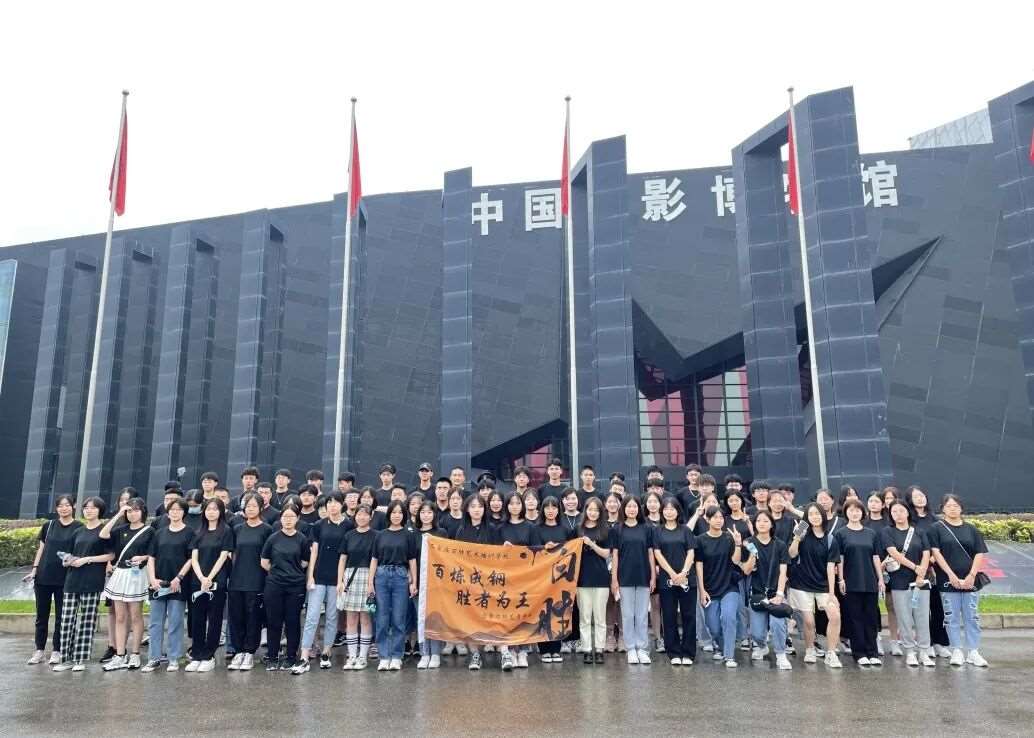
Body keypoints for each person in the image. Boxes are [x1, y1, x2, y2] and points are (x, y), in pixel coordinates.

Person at [49, 497, 113, 672]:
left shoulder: (104, 531)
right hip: (72, 580)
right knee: (66, 621)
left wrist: (87, 559)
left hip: (92, 581)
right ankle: (66, 658)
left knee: (87, 621)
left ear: (100, 510)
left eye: (93, 508)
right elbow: (69, 553)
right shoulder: (78, 531)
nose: (88, 511)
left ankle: (80, 659)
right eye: (86, 508)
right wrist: (68, 560)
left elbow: (111, 555)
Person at [928, 494, 989, 668]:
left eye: (956, 505)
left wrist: (971, 575)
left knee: (972, 616)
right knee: (951, 616)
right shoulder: (936, 529)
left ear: (961, 508)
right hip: (947, 580)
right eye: (948, 506)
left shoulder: (971, 529)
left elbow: (979, 553)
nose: (952, 509)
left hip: (970, 581)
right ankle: (956, 650)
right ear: (943, 509)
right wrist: (950, 574)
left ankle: (973, 651)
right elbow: (936, 553)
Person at [25, 494, 82, 666]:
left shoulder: (79, 527)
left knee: (61, 617)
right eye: (60, 505)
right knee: (41, 616)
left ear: (73, 506)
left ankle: (57, 650)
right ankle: (39, 650)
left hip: (65, 578)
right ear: (56, 508)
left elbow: (80, 551)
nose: (64, 508)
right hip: (43, 577)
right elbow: (41, 549)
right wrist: (34, 570)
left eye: (67, 505)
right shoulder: (48, 525)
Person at [297, 490, 351, 672]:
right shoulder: (319, 525)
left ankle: (327, 651)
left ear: (342, 505)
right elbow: (314, 552)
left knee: (332, 616)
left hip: (337, 578)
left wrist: (342, 580)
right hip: (318, 576)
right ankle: (304, 655)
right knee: (312, 616)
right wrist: (310, 575)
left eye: (336, 502)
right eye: (329, 503)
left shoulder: (348, 525)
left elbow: (346, 554)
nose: (332, 506)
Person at [99, 498, 153, 670]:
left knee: (136, 615)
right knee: (120, 616)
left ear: (143, 512)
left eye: (136, 510)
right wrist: (118, 514)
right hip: (120, 574)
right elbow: (103, 534)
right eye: (129, 511)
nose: (132, 514)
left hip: (136, 575)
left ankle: (135, 654)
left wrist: (143, 557)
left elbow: (153, 554)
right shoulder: (120, 530)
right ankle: (120, 654)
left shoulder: (149, 531)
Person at [142, 497, 194, 673]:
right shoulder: (159, 533)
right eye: (172, 509)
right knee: (155, 623)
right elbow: (151, 557)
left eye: (179, 509)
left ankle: (174, 658)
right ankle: (154, 658)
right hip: (158, 583)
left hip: (177, 584)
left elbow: (191, 559)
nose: (175, 512)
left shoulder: (189, 533)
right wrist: (152, 579)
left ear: (184, 512)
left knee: (175, 622)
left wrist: (179, 577)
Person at [787, 503, 843, 668]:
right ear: (806, 517)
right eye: (811, 514)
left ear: (823, 516)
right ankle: (810, 649)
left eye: (817, 513)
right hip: (801, 584)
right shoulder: (802, 533)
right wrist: (797, 537)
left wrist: (832, 593)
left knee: (835, 615)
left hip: (823, 585)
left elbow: (830, 567)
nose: (814, 517)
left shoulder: (830, 539)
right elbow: (791, 554)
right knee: (809, 621)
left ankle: (831, 653)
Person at [881, 500, 934, 667]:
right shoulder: (887, 532)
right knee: (904, 617)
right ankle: (910, 651)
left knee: (922, 616)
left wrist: (921, 572)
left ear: (908, 512)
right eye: (894, 512)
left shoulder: (919, 531)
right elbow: (893, 553)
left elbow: (926, 552)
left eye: (901, 511)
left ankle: (924, 651)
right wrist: (915, 567)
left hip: (920, 580)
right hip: (899, 580)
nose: (898, 514)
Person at [451, 495, 500, 670]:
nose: (476, 510)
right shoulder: (461, 530)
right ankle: (475, 654)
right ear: (467, 509)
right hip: (469, 582)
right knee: (470, 619)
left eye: (480, 506)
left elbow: (499, 555)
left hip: (489, 582)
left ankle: (503, 651)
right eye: (472, 506)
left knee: (493, 618)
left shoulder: (492, 529)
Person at [368, 501, 418, 671]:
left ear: (404, 515)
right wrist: (370, 583)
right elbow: (374, 559)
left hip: (400, 576)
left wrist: (414, 582)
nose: (397, 515)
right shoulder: (380, 535)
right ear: (389, 514)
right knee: (381, 618)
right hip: (381, 575)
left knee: (398, 618)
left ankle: (396, 656)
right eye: (394, 512)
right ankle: (384, 656)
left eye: (400, 512)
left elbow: (412, 560)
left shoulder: (408, 535)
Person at [186, 498, 234, 672]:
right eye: (208, 509)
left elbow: (223, 556)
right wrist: (201, 577)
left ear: (220, 511)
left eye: (215, 509)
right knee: (197, 618)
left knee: (214, 619)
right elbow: (194, 558)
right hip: (197, 581)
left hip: (216, 581)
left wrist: (209, 578)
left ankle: (209, 655)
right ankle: (197, 654)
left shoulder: (226, 531)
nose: (211, 512)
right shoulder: (199, 532)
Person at [835, 498, 884, 665]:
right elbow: (840, 558)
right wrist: (841, 579)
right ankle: (859, 653)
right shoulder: (841, 533)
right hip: (851, 581)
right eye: (851, 510)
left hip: (870, 580)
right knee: (855, 618)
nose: (854, 513)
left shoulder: (871, 533)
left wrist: (880, 578)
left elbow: (876, 557)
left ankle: (873, 652)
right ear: (846, 513)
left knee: (871, 618)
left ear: (863, 513)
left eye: (857, 510)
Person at [261, 504, 310, 672]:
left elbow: (305, 562)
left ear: (297, 519)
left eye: (292, 517)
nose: (288, 520)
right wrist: (278, 572)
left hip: (295, 586)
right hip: (274, 585)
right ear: (280, 519)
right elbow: (264, 562)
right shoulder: (273, 538)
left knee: (292, 621)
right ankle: (272, 657)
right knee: (273, 621)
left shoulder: (302, 539)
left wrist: (291, 571)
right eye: (285, 517)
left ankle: (290, 657)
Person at [742, 511, 792, 670]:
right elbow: (746, 571)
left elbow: (783, 572)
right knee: (756, 633)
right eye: (758, 521)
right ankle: (762, 646)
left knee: (777, 623)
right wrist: (752, 555)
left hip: (775, 592)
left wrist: (780, 594)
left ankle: (781, 654)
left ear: (771, 524)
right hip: (757, 593)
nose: (762, 524)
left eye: (765, 521)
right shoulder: (749, 543)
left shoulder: (780, 545)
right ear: (754, 524)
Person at [227, 493, 272, 671]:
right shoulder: (237, 528)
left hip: (257, 579)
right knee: (236, 616)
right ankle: (238, 651)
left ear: (260, 508)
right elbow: (231, 553)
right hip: (237, 579)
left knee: (253, 616)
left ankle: (249, 652)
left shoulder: (267, 529)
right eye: (247, 506)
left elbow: (269, 555)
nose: (250, 509)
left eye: (254, 506)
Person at [906, 485, 952, 658]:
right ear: (910, 500)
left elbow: (941, 544)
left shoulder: (936, 520)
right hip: (916, 569)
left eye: (922, 495)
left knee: (938, 607)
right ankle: (927, 643)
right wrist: (921, 565)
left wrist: (932, 560)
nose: (920, 498)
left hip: (935, 569)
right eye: (916, 496)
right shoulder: (909, 521)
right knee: (921, 609)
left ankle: (940, 642)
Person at [610, 496, 656, 665]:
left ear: (639, 509)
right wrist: (614, 579)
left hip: (644, 576)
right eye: (628, 506)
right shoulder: (617, 529)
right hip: (625, 577)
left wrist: (653, 576)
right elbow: (615, 555)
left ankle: (642, 648)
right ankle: (631, 648)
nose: (632, 509)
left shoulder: (647, 528)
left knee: (642, 615)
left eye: (634, 506)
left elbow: (650, 553)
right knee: (628, 615)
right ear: (623, 508)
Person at [695, 505, 742, 668]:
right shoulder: (700, 540)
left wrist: (738, 544)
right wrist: (702, 590)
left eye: (721, 517)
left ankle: (729, 656)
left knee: (728, 617)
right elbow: (699, 566)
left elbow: (735, 561)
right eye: (715, 517)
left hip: (729, 586)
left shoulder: (729, 538)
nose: (718, 520)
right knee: (713, 627)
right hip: (709, 588)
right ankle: (721, 647)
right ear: (707, 519)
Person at [652, 497, 697, 665]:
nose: (669, 512)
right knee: (669, 616)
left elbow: (691, 552)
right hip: (667, 580)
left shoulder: (685, 530)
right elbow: (657, 554)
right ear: (662, 511)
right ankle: (674, 652)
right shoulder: (657, 531)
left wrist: (683, 573)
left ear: (678, 511)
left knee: (689, 616)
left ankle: (688, 653)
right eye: (666, 509)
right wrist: (672, 574)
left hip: (687, 579)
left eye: (672, 509)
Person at [337, 505, 376, 670]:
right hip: (350, 577)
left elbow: (375, 559)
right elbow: (342, 559)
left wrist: (371, 582)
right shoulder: (349, 535)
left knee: (366, 618)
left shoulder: (376, 535)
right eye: (359, 514)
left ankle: (363, 657)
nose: (362, 517)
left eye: (365, 514)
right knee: (351, 618)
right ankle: (352, 656)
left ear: (371, 517)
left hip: (367, 576)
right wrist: (340, 581)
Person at [536, 496, 574, 662]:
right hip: (542, 577)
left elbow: (571, 550)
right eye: (547, 507)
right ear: (542, 510)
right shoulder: (536, 529)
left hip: (560, 578)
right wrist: (544, 548)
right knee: (543, 612)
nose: (550, 511)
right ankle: (544, 649)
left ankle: (556, 648)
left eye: (554, 507)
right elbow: (533, 551)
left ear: (559, 510)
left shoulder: (565, 530)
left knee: (558, 611)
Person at [576, 497, 610, 664]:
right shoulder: (578, 529)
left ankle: (600, 649)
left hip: (601, 578)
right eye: (590, 509)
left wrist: (592, 544)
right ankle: (587, 649)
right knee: (585, 617)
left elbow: (606, 553)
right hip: (582, 579)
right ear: (585, 510)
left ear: (600, 512)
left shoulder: (605, 529)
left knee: (600, 617)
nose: (593, 513)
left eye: (596, 510)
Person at [414, 501, 446, 669]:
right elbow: (410, 559)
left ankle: (435, 654)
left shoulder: (441, 533)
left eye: (429, 512)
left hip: (437, 583)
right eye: (423, 512)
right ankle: (424, 653)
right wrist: (412, 581)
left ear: (434, 514)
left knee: (435, 619)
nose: (426, 515)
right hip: (418, 582)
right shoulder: (413, 534)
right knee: (421, 619)